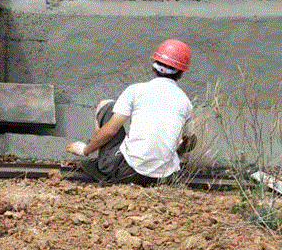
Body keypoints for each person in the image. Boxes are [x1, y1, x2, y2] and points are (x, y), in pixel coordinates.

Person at [65, 39, 197, 185]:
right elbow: (190, 141)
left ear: (154, 68)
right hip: (163, 178)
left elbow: (110, 130)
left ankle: (103, 162)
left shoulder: (136, 90)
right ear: (181, 74)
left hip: (127, 171)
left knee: (106, 106)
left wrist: (85, 150)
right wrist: (173, 153)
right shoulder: (185, 102)